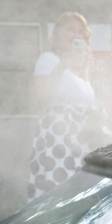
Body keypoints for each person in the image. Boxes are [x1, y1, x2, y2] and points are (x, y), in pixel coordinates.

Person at [28, 12, 97, 200]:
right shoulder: (48, 59)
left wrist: (97, 114)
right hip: (57, 138)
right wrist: (63, 64)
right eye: (70, 30)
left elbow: (85, 103)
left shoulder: (83, 66)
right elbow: (43, 97)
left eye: (80, 32)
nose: (76, 35)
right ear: (57, 33)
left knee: (79, 196)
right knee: (56, 194)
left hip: (81, 140)